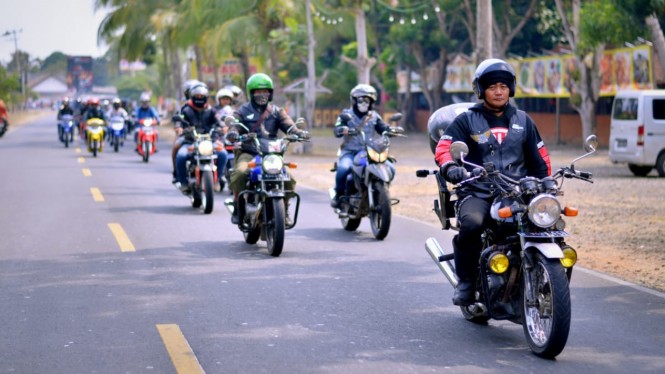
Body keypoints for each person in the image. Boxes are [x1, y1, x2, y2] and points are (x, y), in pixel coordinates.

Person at [434, 58, 552, 306]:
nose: (499, 91)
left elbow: (540, 158)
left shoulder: (523, 120)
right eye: (492, 86)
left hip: (516, 191)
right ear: (481, 90)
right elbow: (444, 147)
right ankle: (466, 280)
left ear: (511, 88)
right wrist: (451, 166)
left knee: (544, 225)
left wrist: (547, 184)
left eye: (503, 86)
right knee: (472, 224)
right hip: (477, 190)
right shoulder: (467, 120)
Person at [226, 73, 310, 225]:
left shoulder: (277, 111)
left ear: (270, 93)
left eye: (265, 91)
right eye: (258, 92)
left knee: (289, 179)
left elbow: (289, 125)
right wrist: (233, 132)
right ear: (251, 93)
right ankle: (238, 207)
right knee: (239, 173)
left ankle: (284, 209)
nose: (262, 95)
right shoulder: (243, 110)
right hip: (249, 152)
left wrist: (298, 133)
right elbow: (235, 124)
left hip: (272, 155)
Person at [330, 84, 394, 209]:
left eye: (367, 100)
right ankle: (339, 195)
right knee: (343, 169)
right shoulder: (345, 114)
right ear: (354, 100)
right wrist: (342, 129)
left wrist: (390, 130)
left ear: (372, 102)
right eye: (361, 99)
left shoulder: (374, 116)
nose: (364, 102)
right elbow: (337, 128)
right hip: (350, 151)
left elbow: (382, 127)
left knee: (390, 168)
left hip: (369, 151)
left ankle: (381, 191)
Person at [172, 83, 228, 193]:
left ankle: (218, 179)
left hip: (208, 141)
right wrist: (179, 127)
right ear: (192, 97)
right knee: (181, 155)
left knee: (223, 154)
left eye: (201, 96)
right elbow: (179, 119)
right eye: (197, 96)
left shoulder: (211, 110)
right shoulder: (186, 109)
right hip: (190, 141)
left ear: (206, 98)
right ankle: (182, 182)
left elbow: (218, 121)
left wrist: (223, 127)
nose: (199, 98)